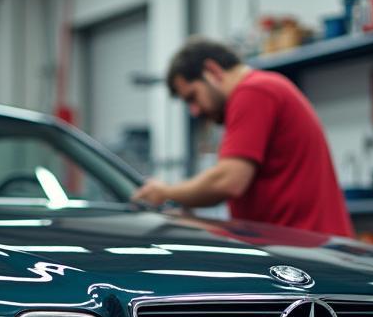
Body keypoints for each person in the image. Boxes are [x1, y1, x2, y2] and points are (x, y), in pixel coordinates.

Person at [133, 36, 354, 237]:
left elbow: (228, 181)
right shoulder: (263, 89)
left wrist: (165, 192)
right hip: (298, 246)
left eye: (193, 97)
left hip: (306, 253)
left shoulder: (253, 92)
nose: (195, 111)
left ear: (213, 71)